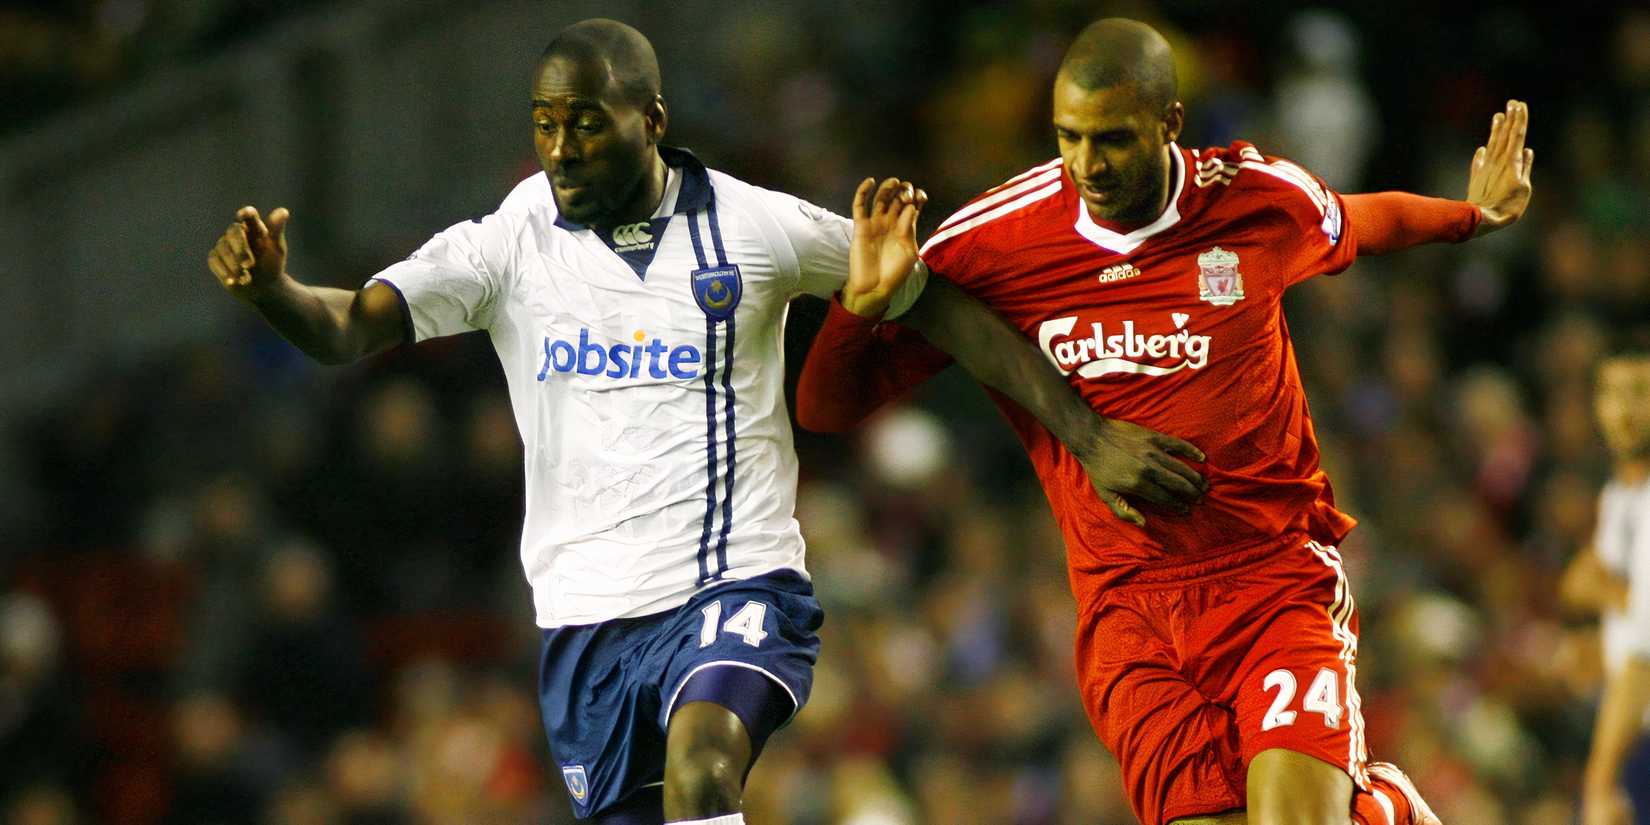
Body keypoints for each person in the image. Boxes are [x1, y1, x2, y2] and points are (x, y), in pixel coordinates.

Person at [204, 18, 1181, 825]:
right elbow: (347, 328)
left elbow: (946, 305)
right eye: (547, 124)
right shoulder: (509, 244)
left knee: (704, 767)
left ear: (652, 120)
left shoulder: (751, 227)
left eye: (586, 123)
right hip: (585, 621)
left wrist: (1083, 431)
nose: (561, 147)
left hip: (735, 583)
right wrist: (276, 292)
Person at [796, 17, 1533, 825]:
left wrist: (1469, 217)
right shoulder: (997, 239)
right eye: (1068, 138)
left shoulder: (1258, 198)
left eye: (1111, 139)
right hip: (1130, 612)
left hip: (1271, 579)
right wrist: (856, 308)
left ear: (1169, 124)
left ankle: (1377, 803)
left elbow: (1358, 220)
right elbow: (824, 408)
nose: (1087, 164)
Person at [1560, 335, 1650, 825]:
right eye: (1612, 392)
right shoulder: (1622, 494)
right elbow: (1580, 579)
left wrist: (1601, 782)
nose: (1624, 410)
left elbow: (1642, 661)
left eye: (1640, 392)